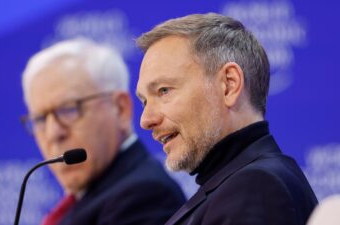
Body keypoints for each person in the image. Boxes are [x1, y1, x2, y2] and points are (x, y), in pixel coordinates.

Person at [136, 13, 318, 225]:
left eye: (164, 90)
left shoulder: (255, 188)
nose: (145, 120)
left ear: (229, 85)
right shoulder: (238, 184)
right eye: (144, 102)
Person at [21, 38, 186, 225]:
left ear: (120, 109)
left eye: (69, 109)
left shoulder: (144, 197)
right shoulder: (87, 197)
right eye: (41, 119)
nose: (53, 133)